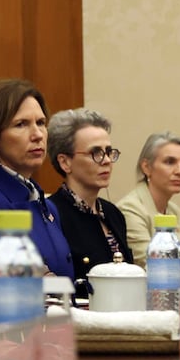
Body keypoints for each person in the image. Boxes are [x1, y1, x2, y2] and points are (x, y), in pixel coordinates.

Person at [0, 79, 74, 277]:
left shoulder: (47, 205)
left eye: (41, 123)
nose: (38, 134)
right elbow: (4, 282)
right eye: (21, 124)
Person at [46, 109, 133, 286]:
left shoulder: (113, 213)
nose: (107, 160)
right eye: (96, 153)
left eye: (109, 152)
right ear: (65, 162)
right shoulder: (51, 214)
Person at [118, 132, 180, 262]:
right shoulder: (130, 208)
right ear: (146, 167)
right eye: (170, 162)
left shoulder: (173, 210)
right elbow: (149, 263)